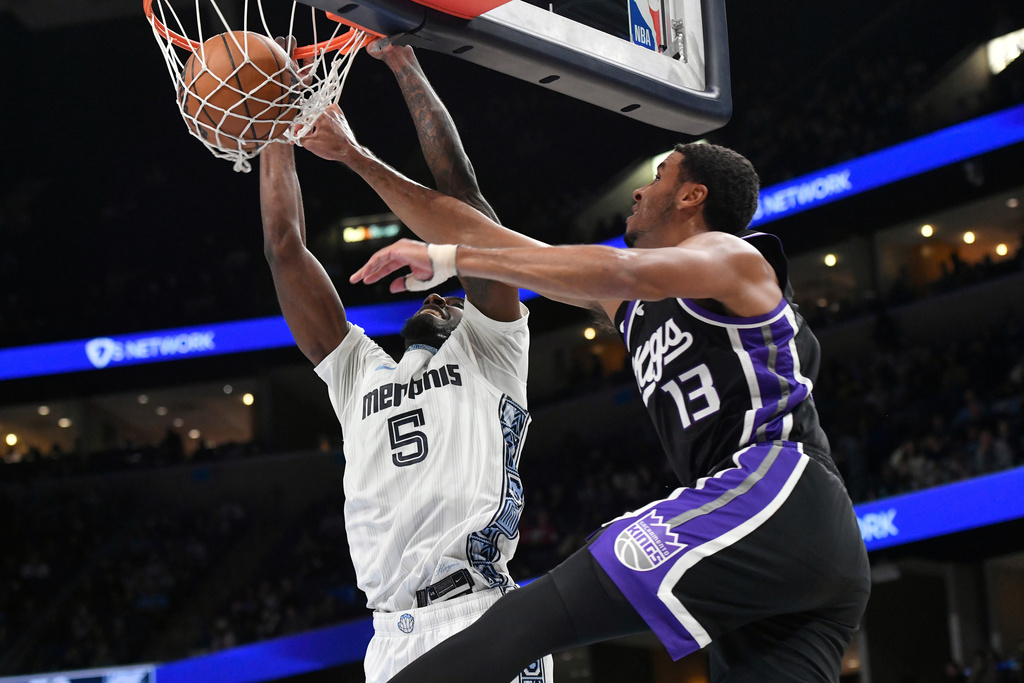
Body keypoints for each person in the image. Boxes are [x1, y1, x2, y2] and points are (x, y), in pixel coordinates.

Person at [305, 107, 871, 681]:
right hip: (800, 551)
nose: (641, 191)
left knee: (530, 616)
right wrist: (358, 155)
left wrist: (449, 260)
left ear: (691, 196)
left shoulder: (735, 256)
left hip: (777, 491)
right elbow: (478, 229)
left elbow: (615, 271)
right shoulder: (635, 301)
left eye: (659, 177)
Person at [263, 40, 550, 683]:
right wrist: (272, 122)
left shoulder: (492, 348)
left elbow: (465, 208)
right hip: (389, 638)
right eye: (440, 295)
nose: (445, 296)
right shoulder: (358, 372)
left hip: (479, 612)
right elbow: (285, 248)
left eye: (452, 292)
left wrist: (401, 62)